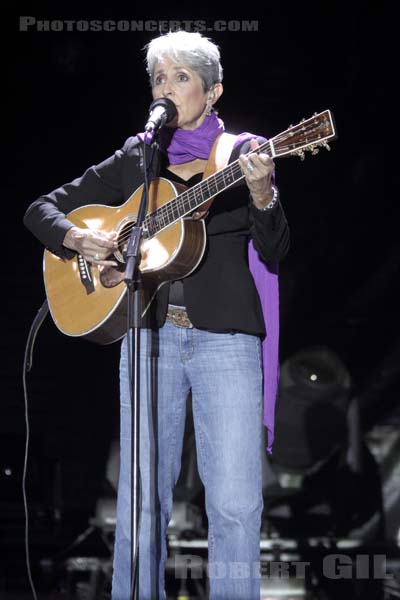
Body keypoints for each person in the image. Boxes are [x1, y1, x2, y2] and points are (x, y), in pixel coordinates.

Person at [24, 30, 290, 600]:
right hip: (148, 338)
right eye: (158, 79)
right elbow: (38, 209)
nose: (165, 89)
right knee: (141, 501)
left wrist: (264, 196)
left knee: (235, 504)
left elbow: (275, 252)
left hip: (226, 342)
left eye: (181, 78)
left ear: (213, 91)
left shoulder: (243, 154)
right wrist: (77, 239)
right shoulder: (139, 156)